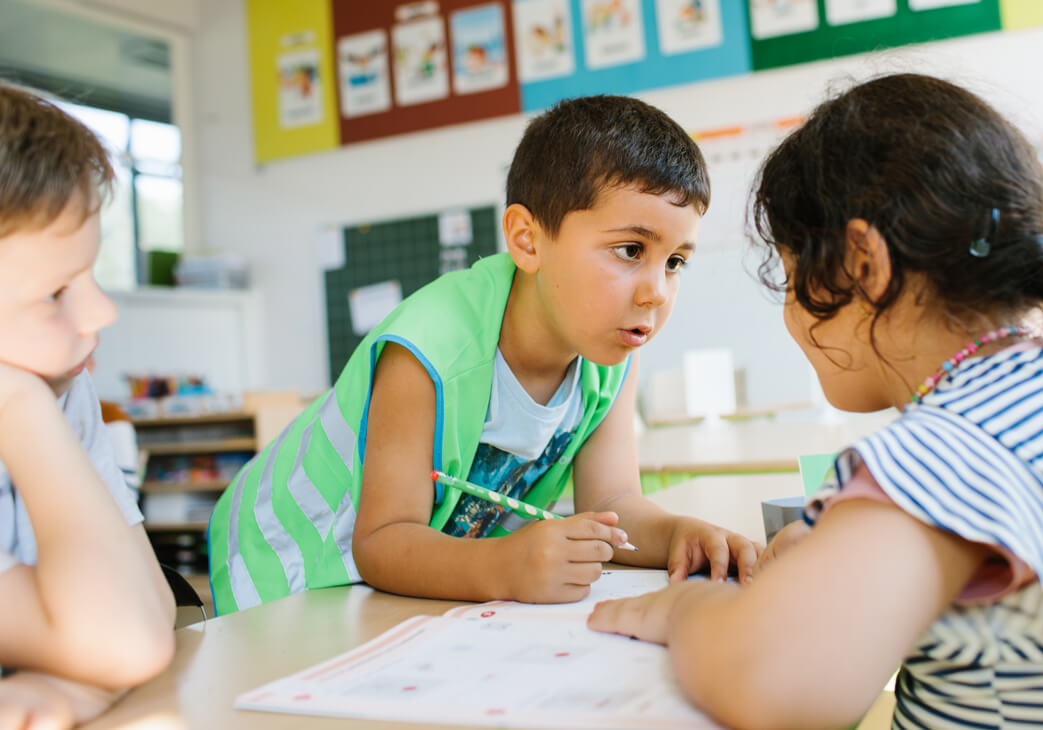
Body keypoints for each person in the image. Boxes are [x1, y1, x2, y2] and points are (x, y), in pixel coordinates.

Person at [588, 73, 1043, 729]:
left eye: (791, 273)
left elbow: (769, 683)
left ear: (863, 263)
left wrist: (687, 607)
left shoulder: (963, 440)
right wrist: (837, 554)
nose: (789, 313)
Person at [208, 95, 758, 616]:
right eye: (631, 251)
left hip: (410, 576)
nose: (657, 291)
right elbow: (381, 540)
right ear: (526, 240)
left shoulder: (611, 353)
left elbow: (612, 505)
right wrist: (507, 563)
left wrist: (677, 534)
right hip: (292, 565)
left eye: (675, 262)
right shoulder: (429, 347)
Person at [0, 83, 175, 727]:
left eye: (91, 276)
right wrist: (18, 405)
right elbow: (125, 638)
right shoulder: (26, 397)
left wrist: (75, 690)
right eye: (54, 293)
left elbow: (150, 608)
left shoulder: (55, 389)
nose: (102, 312)